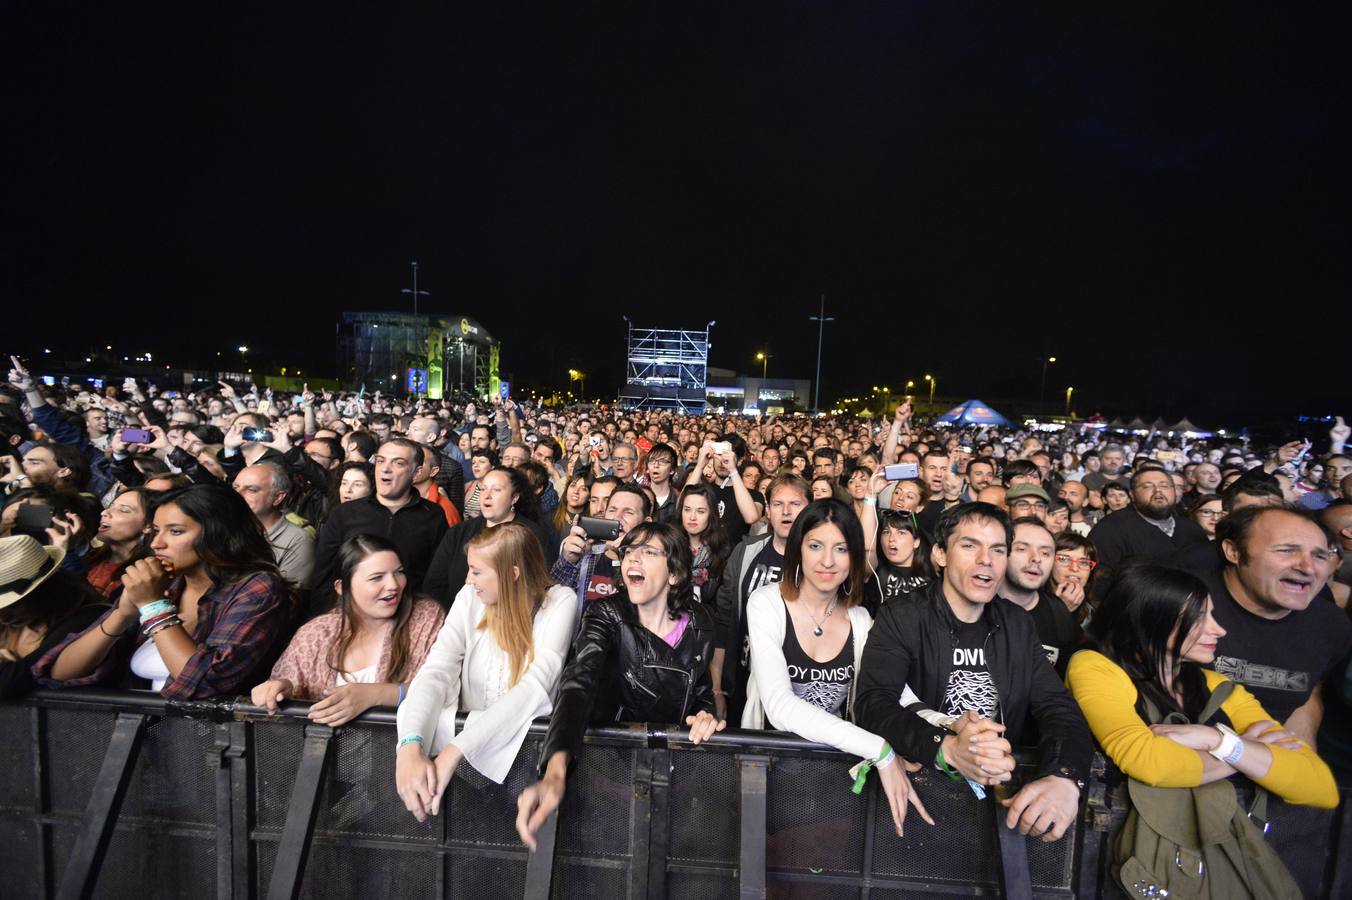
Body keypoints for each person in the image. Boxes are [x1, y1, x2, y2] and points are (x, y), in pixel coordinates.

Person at [855, 503, 1093, 844]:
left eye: (997, 549)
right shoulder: (902, 616)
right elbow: (873, 703)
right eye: (970, 546)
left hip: (995, 805)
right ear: (940, 554)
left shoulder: (1017, 623)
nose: (986, 560)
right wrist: (946, 748)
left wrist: (1065, 776)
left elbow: (1056, 706)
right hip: (917, 797)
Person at [1066, 566, 1336, 837]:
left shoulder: (1217, 686)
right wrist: (1245, 754)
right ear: (1148, 620)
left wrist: (1217, 741)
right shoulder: (1094, 667)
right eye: (1198, 618)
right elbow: (1147, 761)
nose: (1218, 630)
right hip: (1118, 845)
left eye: (1212, 615)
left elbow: (1319, 785)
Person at [515, 523, 723, 849]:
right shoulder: (606, 614)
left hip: (674, 774)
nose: (632, 560)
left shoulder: (700, 622)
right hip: (610, 774)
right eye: (629, 552)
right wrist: (555, 770)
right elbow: (578, 683)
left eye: (649, 552)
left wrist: (704, 715)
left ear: (676, 574)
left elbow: (700, 691)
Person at [742, 499, 932, 836]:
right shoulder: (767, 603)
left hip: (833, 779)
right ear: (798, 549)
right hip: (766, 775)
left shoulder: (860, 620)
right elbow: (779, 707)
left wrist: (948, 729)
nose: (827, 561)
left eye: (841, 549)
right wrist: (880, 750)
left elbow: (897, 694)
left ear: (855, 558)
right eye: (815, 546)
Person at [33, 483, 291, 699]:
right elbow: (59, 672)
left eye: (176, 531)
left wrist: (155, 607)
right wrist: (122, 614)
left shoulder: (257, 589)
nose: (157, 543)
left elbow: (204, 683)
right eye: (156, 531)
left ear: (219, 533)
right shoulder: (166, 584)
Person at [395, 524, 577, 819]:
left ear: (512, 573)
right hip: (466, 774)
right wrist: (410, 745)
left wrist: (454, 751)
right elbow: (436, 671)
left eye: (477, 571)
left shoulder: (560, 602)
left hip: (524, 766)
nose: (469, 579)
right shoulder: (468, 597)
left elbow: (536, 688)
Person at [251, 535, 444, 725]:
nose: (394, 585)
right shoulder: (316, 632)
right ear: (342, 587)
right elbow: (287, 689)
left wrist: (374, 695)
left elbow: (443, 687)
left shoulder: (425, 616)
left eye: (399, 572)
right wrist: (281, 690)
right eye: (377, 578)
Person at [1199, 506, 1352, 745]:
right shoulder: (1177, 603)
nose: (1308, 567)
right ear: (1233, 552)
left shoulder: (1331, 625)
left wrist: (1301, 764)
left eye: (1320, 556)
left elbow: (1310, 692)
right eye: (1287, 551)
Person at [712, 472, 811, 723]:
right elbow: (723, 621)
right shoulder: (746, 552)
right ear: (767, 509)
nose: (786, 511)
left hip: (797, 690)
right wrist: (716, 687)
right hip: (743, 680)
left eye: (795, 504)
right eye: (778, 504)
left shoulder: (818, 560)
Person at [309, 439, 449, 614]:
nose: (385, 468)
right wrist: (322, 617)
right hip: (350, 615)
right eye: (381, 460)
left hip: (409, 617)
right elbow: (324, 573)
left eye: (398, 463)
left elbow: (436, 576)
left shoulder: (433, 515)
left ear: (416, 472)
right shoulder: (345, 513)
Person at [424, 467, 558, 607]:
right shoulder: (459, 532)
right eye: (483, 489)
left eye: (496, 490)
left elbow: (542, 586)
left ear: (514, 497)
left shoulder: (533, 535)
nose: (487, 495)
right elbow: (434, 584)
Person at [0, 535, 108, 698]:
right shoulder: (10, 620)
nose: (2, 614)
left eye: (10, 605)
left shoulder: (88, 618)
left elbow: (15, 680)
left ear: (41, 592)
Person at [1087, 465, 1209, 590]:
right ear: (1132, 495)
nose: (1158, 491)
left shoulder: (1191, 528)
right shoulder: (1110, 529)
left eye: (1164, 486)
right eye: (1147, 486)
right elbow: (1099, 583)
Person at [999, 518, 1080, 676]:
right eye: (1022, 549)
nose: (1036, 558)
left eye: (1045, 553)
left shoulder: (1059, 613)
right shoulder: (976, 608)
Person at [233, 461, 316, 588]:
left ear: (277, 497)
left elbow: (291, 599)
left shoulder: (298, 541)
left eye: (251, 490)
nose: (237, 495)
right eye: (235, 488)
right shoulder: (227, 528)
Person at [82, 486, 154, 597]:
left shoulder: (144, 574)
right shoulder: (92, 557)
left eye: (123, 510)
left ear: (147, 525)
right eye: (110, 506)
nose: (105, 512)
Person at [678, 483, 729, 606]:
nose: (692, 517)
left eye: (700, 511)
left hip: (708, 619)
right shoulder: (670, 545)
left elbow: (725, 598)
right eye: (687, 509)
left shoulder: (722, 550)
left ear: (711, 514)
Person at [1050, 532, 1097, 621]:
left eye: (1083, 562)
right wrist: (1059, 609)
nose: (1074, 568)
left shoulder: (1091, 612)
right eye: (1064, 559)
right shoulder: (1031, 605)